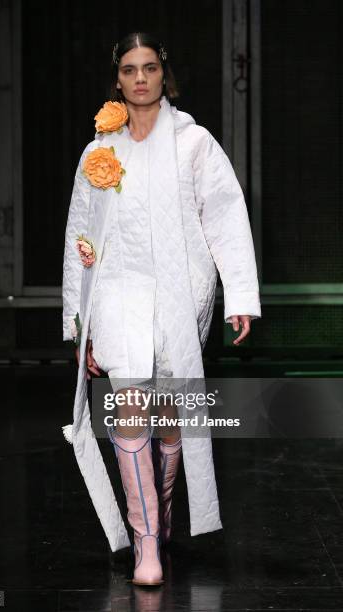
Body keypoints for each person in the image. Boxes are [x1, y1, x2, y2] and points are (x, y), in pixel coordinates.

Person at [62, 32, 261, 586]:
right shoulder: (98, 151)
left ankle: (163, 513)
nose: (141, 78)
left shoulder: (193, 142)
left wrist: (240, 295)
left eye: (149, 67)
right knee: (130, 402)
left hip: (180, 291)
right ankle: (146, 539)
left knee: (168, 416)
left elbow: (224, 215)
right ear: (117, 78)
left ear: (162, 73)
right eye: (130, 69)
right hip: (119, 290)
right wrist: (79, 323)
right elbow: (82, 235)